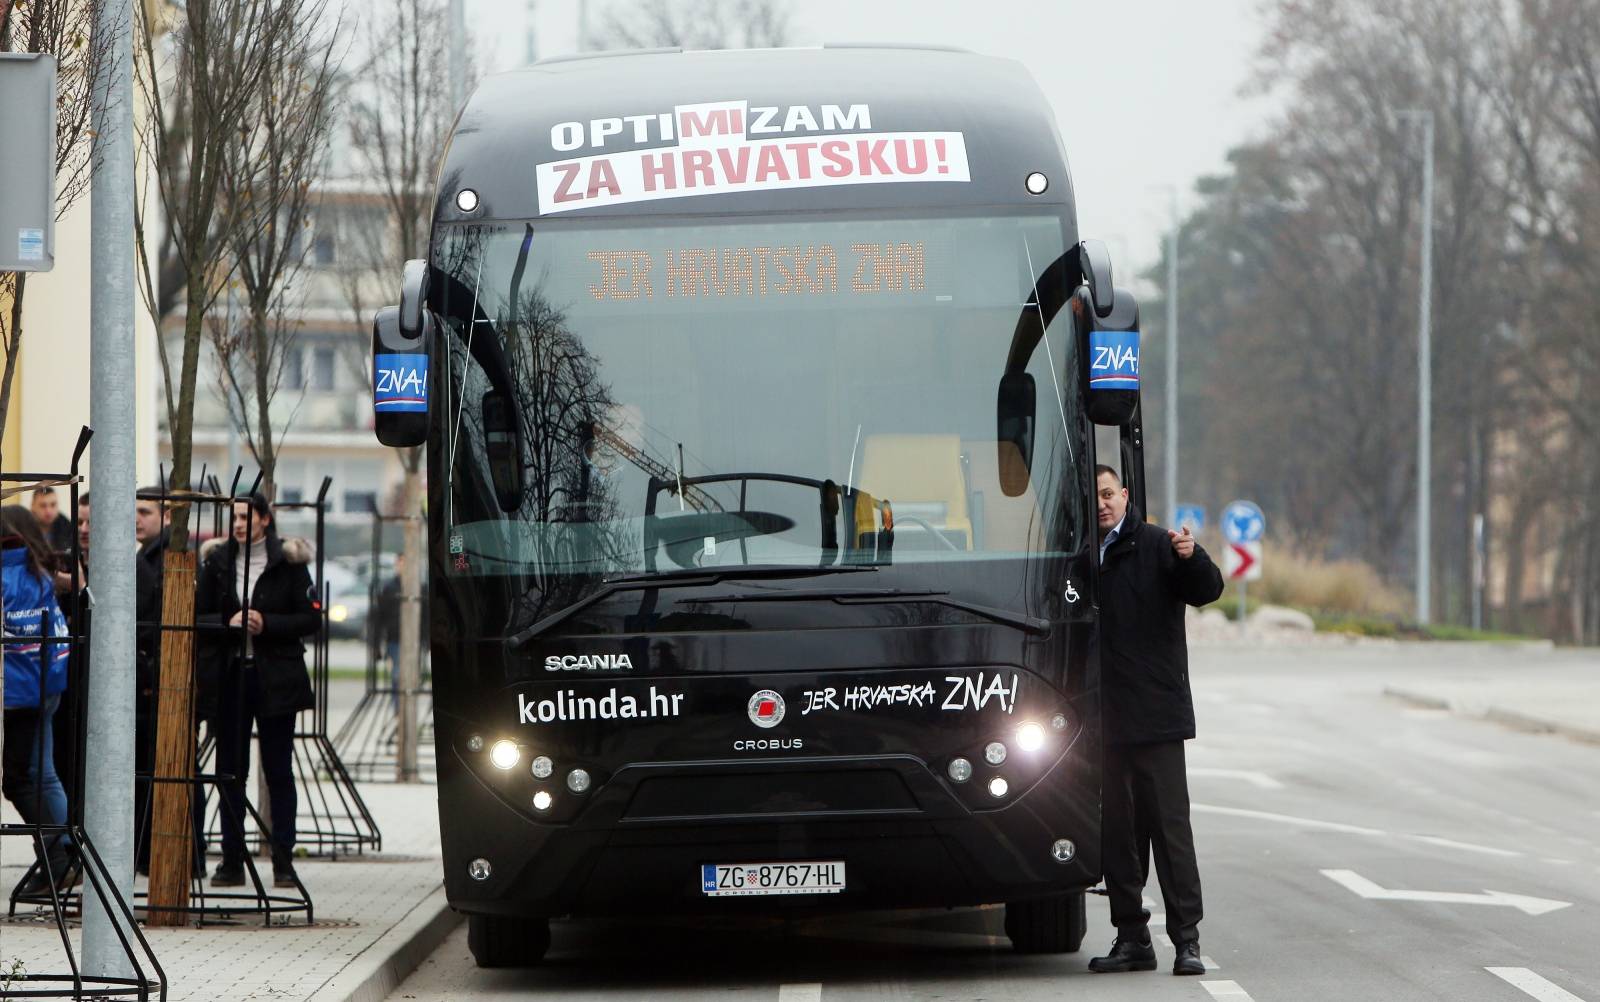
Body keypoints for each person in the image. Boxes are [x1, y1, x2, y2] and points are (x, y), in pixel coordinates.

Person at [1087, 465, 1223, 978]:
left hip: (1158, 719)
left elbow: (1207, 589)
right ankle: (1132, 938)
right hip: (1105, 722)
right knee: (1117, 838)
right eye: (1093, 496)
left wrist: (1194, 555)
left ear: (1125, 495)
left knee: (1170, 833)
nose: (1101, 504)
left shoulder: (1157, 544)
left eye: (1108, 494)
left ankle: (1186, 941)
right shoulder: (1080, 554)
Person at [196, 493, 319, 889]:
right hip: (231, 679)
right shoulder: (217, 561)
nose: (238, 524)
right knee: (230, 771)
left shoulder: (288, 563)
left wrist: (267, 623)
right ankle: (232, 859)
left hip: (276, 679)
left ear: (265, 520)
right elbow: (196, 616)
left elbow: (310, 619)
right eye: (234, 518)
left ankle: (283, 860)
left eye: (246, 517)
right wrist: (226, 621)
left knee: (278, 770)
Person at [1, 505, 76, 896]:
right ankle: (63, 855)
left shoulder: (6, 574)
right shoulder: (39, 571)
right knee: (43, 775)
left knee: (19, 780)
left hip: (16, 693)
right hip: (48, 683)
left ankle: (58, 858)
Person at [29, 487, 75, 555]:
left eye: (53, 505)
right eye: (43, 505)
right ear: (33, 506)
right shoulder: (22, 528)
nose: (48, 511)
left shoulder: (68, 529)